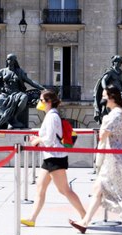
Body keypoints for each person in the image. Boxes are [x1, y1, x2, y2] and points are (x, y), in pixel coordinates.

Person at [70, 86, 122, 235]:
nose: (102, 100)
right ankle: (84, 223)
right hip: (113, 158)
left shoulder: (116, 114)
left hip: (116, 160)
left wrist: (103, 125)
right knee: (99, 189)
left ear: (112, 97)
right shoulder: (116, 113)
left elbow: (103, 134)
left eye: (104, 97)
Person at [20, 89, 86, 227]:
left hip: (55, 157)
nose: (39, 103)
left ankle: (85, 216)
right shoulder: (51, 115)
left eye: (41, 100)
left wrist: (36, 139)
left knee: (64, 190)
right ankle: (32, 219)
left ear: (49, 102)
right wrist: (38, 139)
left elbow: (49, 140)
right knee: (40, 187)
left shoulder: (52, 116)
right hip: (50, 157)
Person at [0, 53, 45, 129]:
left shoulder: (19, 72)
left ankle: (14, 117)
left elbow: (30, 82)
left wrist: (42, 88)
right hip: (5, 94)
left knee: (24, 97)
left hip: (16, 93)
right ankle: (9, 121)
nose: (10, 61)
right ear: (7, 60)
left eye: (12, 59)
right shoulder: (3, 71)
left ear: (15, 61)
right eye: (9, 59)